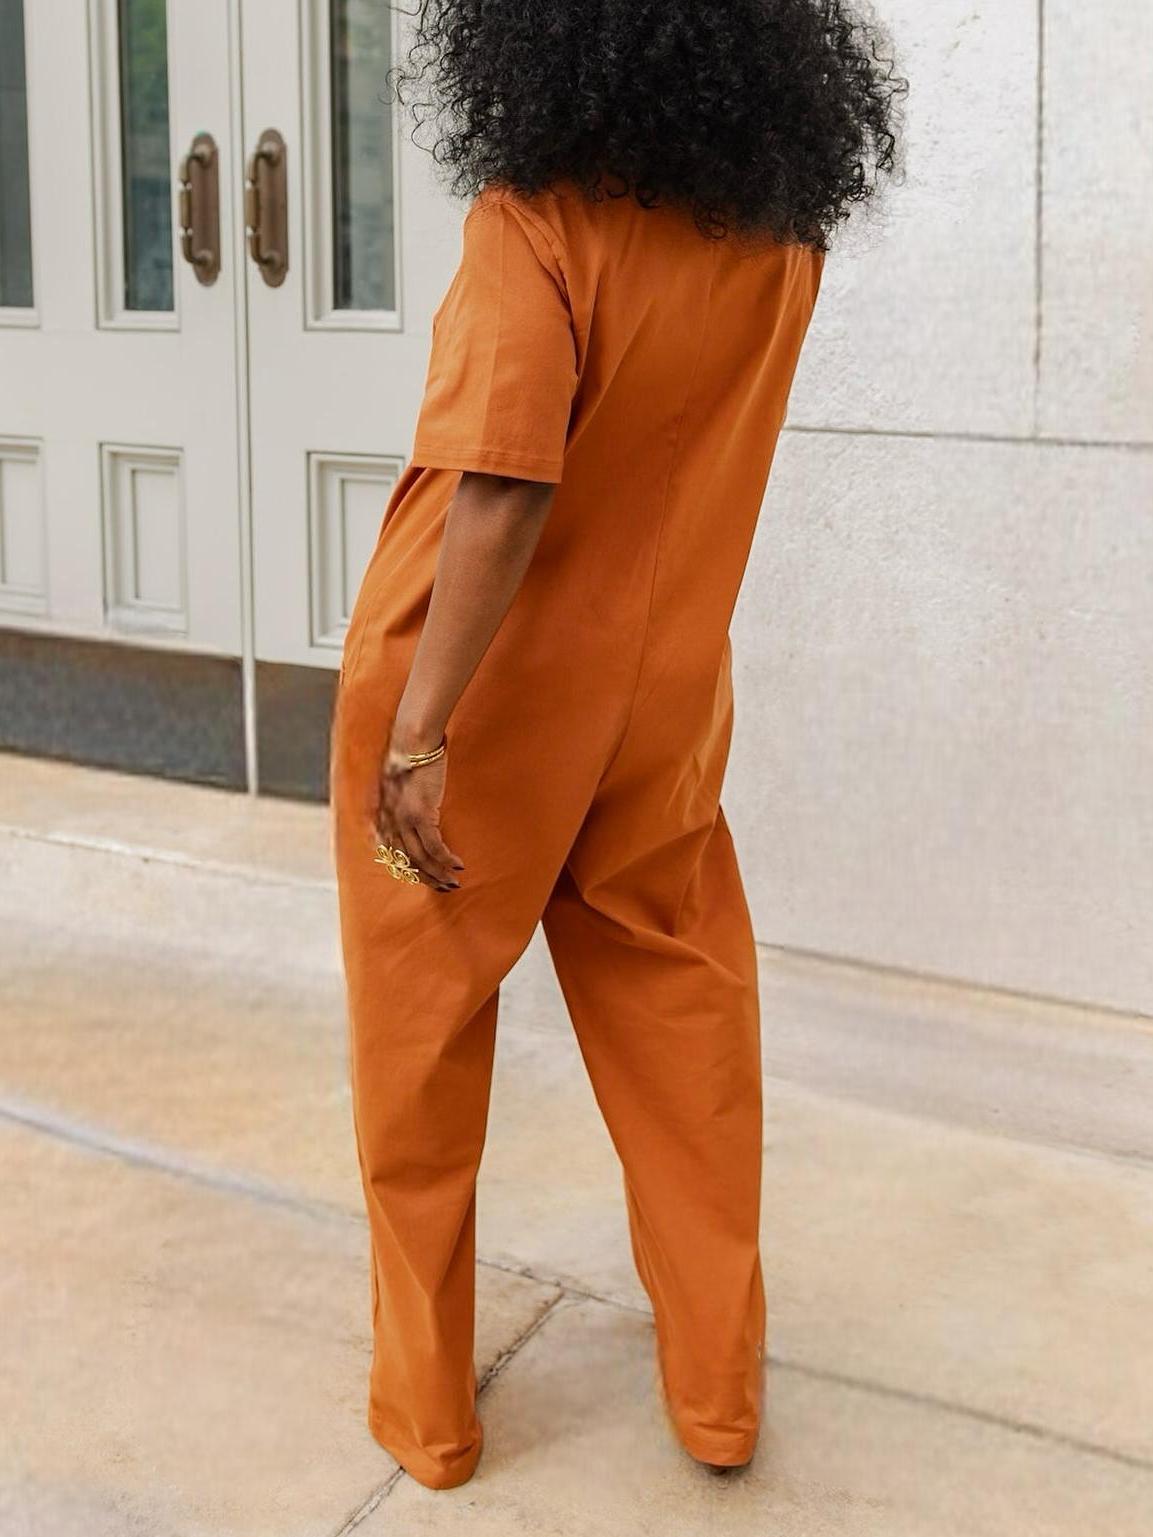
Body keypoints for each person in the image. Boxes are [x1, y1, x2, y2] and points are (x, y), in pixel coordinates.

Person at [330, 0, 903, 1492]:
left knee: (419, 1039)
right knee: (682, 1018)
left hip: (479, 697)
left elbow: (502, 487)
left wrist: (416, 731)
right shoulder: (775, 229)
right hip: (663, 697)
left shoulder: (536, 221)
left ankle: (429, 1416)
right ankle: (717, 1394)